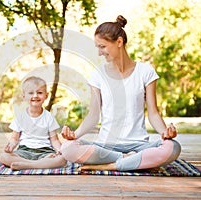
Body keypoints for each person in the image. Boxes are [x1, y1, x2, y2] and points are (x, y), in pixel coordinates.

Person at [60, 15, 181, 171]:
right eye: (97, 47)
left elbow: (153, 113)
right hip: (106, 146)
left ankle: (109, 166)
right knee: (68, 148)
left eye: (102, 47)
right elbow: (93, 116)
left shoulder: (145, 72)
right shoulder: (98, 75)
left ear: (119, 42)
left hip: (139, 145)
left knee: (173, 147)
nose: (99, 53)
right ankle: (126, 161)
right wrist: (74, 135)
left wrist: (165, 133)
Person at [0, 76, 67, 170]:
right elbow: (14, 138)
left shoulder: (49, 117)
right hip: (24, 151)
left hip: (45, 152)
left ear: (46, 96)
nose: (35, 95)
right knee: (3, 156)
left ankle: (26, 165)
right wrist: (10, 147)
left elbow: (54, 140)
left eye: (39, 93)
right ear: (24, 96)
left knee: (62, 159)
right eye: (31, 93)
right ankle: (37, 164)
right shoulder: (20, 117)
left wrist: (60, 150)